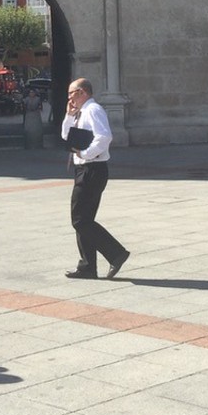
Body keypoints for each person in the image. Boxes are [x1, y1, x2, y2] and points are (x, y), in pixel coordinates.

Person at [61, 78, 130, 280]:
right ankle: (87, 266)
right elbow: (67, 137)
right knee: (84, 219)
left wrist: (86, 154)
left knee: (79, 219)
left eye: (71, 93)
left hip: (92, 169)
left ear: (82, 92)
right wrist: (68, 115)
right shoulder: (81, 112)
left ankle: (116, 253)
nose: (69, 98)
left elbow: (104, 136)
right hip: (84, 169)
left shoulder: (93, 110)